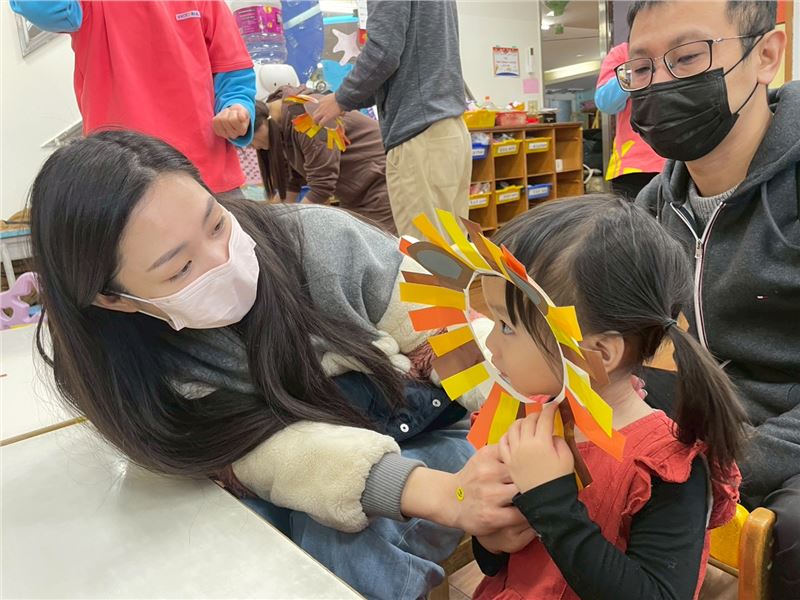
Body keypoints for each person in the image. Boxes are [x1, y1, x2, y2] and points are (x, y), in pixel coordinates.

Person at [27, 130, 529, 600]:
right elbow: (271, 455)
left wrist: (512, 431)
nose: (222, 259)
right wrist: (440, 496)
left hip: (417, 429)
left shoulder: (323, 240)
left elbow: (450, 336)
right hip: (292, 464)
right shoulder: (129, 366)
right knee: (235, 542)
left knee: (342, 549)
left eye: (217, 223)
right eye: (180, 268)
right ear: (113, 299)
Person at [469, 196, 743, 600]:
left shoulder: (663, 469)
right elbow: (500, 565)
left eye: (507, 326)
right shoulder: (527, 418)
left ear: (599, 352)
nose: (491, 343)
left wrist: (550, 501)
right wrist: (490, 540)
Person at [625, 2, 799, 595]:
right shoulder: (654, 205)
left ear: (766, 55)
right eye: (641, 68)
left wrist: (731, 460)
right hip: (712, 415)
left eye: (688, 57)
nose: (660, 84)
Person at [11, 0, 256, 197]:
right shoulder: (89, 5)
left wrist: (236, 108)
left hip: (208, 177)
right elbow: (44, 8)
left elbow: (233, 71)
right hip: (123, 186)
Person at [310, 0, 471, 237]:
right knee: (453, 247)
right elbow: (403, 61)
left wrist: (341, 98)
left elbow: (383, 53)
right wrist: (348, 100)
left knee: (424, 251)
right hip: (448, 129)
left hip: (418, 133)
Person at [252, 87, 397, 234]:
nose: (254, 147)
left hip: (379, 183)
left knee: (385, 243)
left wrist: (293, 224)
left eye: (251, 141)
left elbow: (322, 185)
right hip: (357, 194)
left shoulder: (308, 116)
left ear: (262, 123)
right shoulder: (281, 127)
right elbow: (293, 181)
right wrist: (270, 219)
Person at [594, 43, 666, 200]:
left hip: (684, 160)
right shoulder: (622, 52)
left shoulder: (682, 46)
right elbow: (606, 103)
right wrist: (634, 68)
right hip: (634, 165)